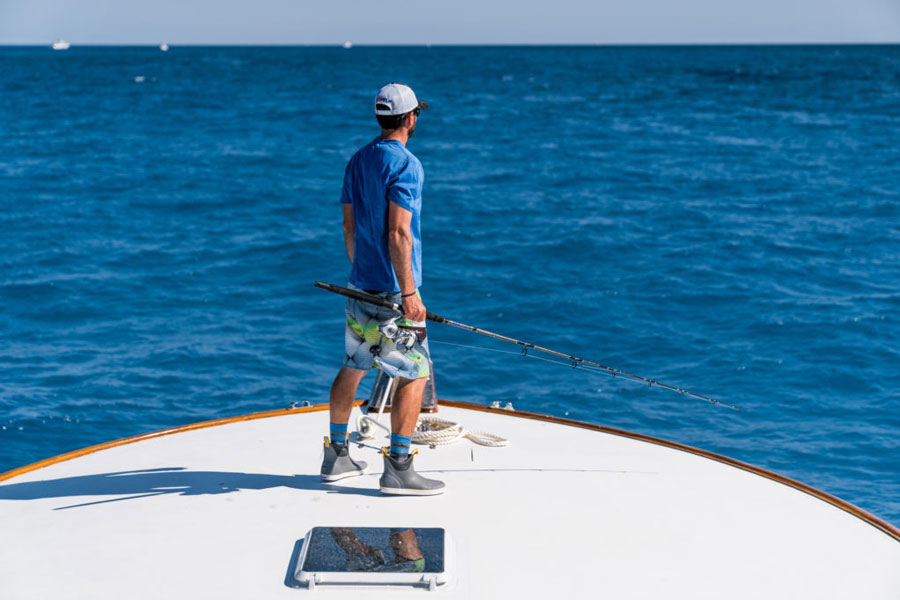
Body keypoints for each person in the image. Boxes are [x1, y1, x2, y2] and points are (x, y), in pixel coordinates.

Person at [320, 82, 445, 496]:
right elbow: (399, 233)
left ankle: (336, 455)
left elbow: (348, 225)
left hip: (360, 285)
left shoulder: (357, 161)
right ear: (411, 118)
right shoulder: (406, 164)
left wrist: (361, 271)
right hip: (393, 291)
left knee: (354, 364)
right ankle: (399, 467)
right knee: (414, 374)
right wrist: (409, 293)